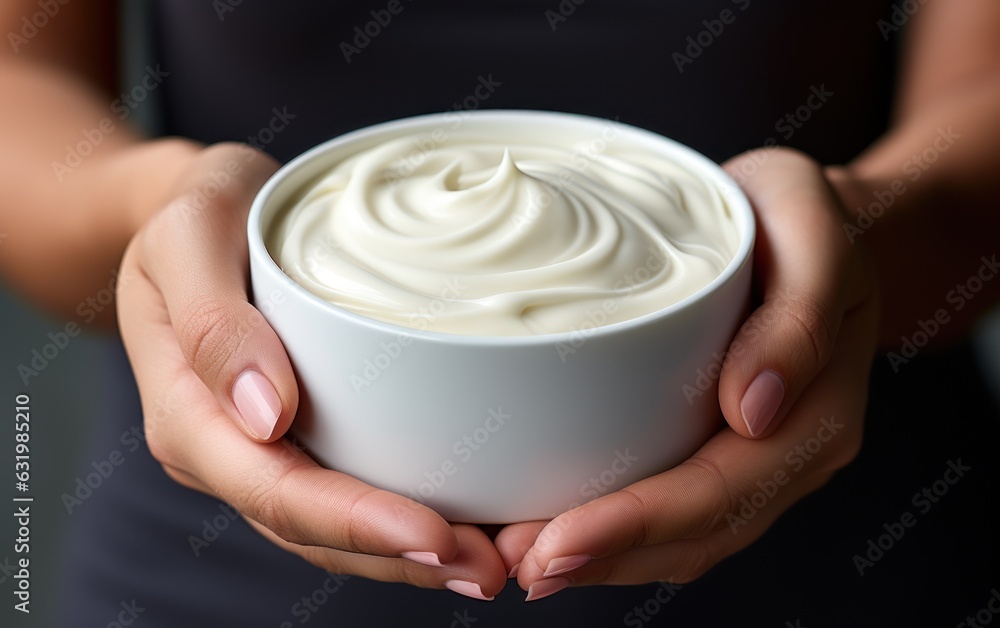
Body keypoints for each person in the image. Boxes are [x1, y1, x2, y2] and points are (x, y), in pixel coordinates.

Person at [1, 1, 998, 625]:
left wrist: (858, 226)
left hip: (840, 561)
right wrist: (154, 206)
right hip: (207, 570)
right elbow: (18, 77)